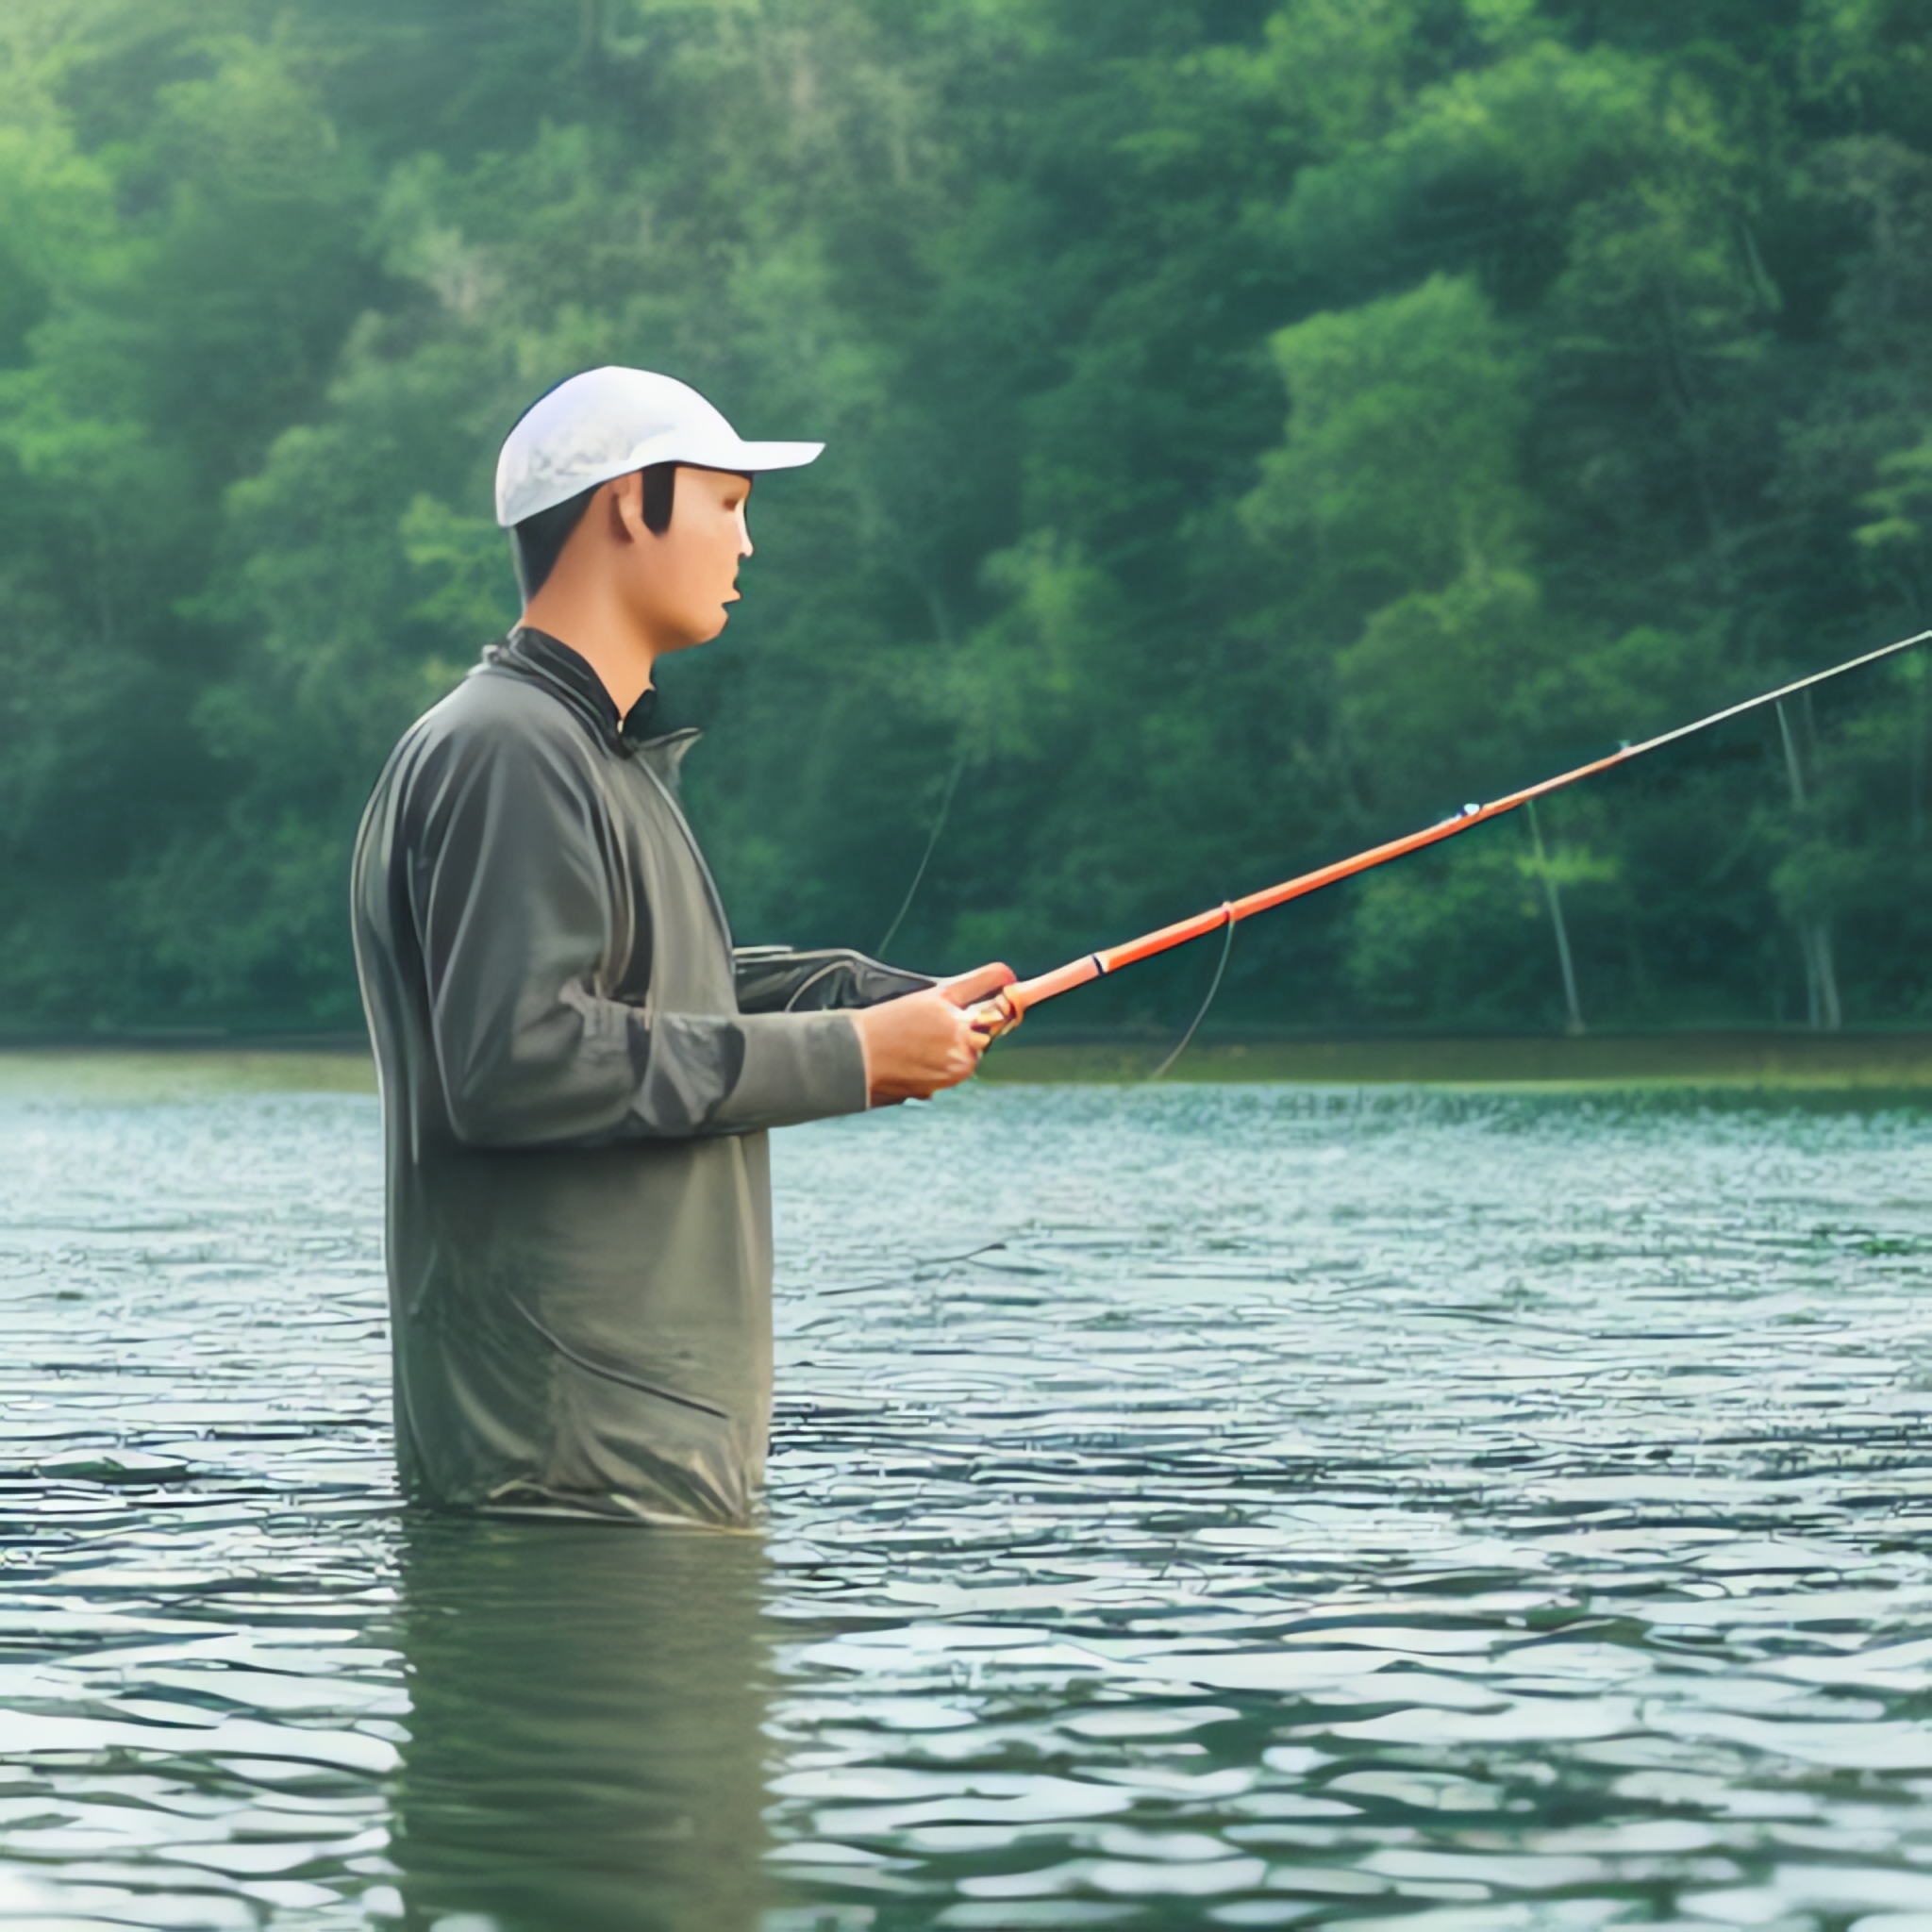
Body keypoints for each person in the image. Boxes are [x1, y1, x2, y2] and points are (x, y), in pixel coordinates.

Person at [351, 366, 1011, 1526]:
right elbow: (523, 1059)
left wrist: (863, 999)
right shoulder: (509, 749)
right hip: (575, 1474)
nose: (747, 544)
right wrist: (849, 1055)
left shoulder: (576, 749)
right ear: (625, 505)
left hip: (625, 1461)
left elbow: (645, 992)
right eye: (725, 503)